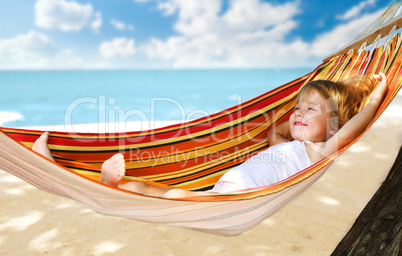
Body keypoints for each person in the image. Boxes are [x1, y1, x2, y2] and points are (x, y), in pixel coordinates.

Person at [32, 72, 388, 198]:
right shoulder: (288, 144)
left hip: (242, 198)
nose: (299, 113)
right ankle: (92, 179)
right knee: (160, 193)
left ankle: (109, 183)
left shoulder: (320, 151)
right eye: (298, 107)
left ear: (334, 128)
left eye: (311, 110)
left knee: (163, 196)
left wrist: (373, 97)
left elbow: (356, 124)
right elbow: (274, 130)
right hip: (224, 190)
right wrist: (297, 110)